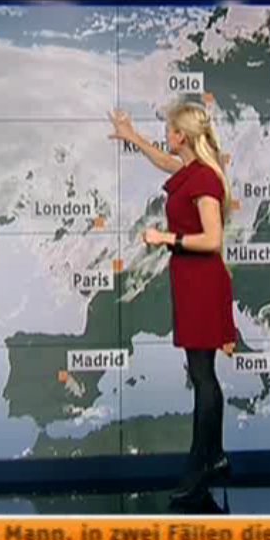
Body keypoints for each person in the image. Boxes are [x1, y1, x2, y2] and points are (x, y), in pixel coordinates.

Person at [108, 102, 238, 504]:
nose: (166, 135)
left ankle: (199, 465)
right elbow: (166, 162)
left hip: (202, 281)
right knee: (203, 372)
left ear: (182, 135)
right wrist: (132, 137)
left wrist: (166, 238)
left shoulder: (204, 179)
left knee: (202, 374)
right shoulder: (192, 169)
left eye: (169, 130)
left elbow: (212, 239)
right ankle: (215, 456)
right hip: (191, 279)